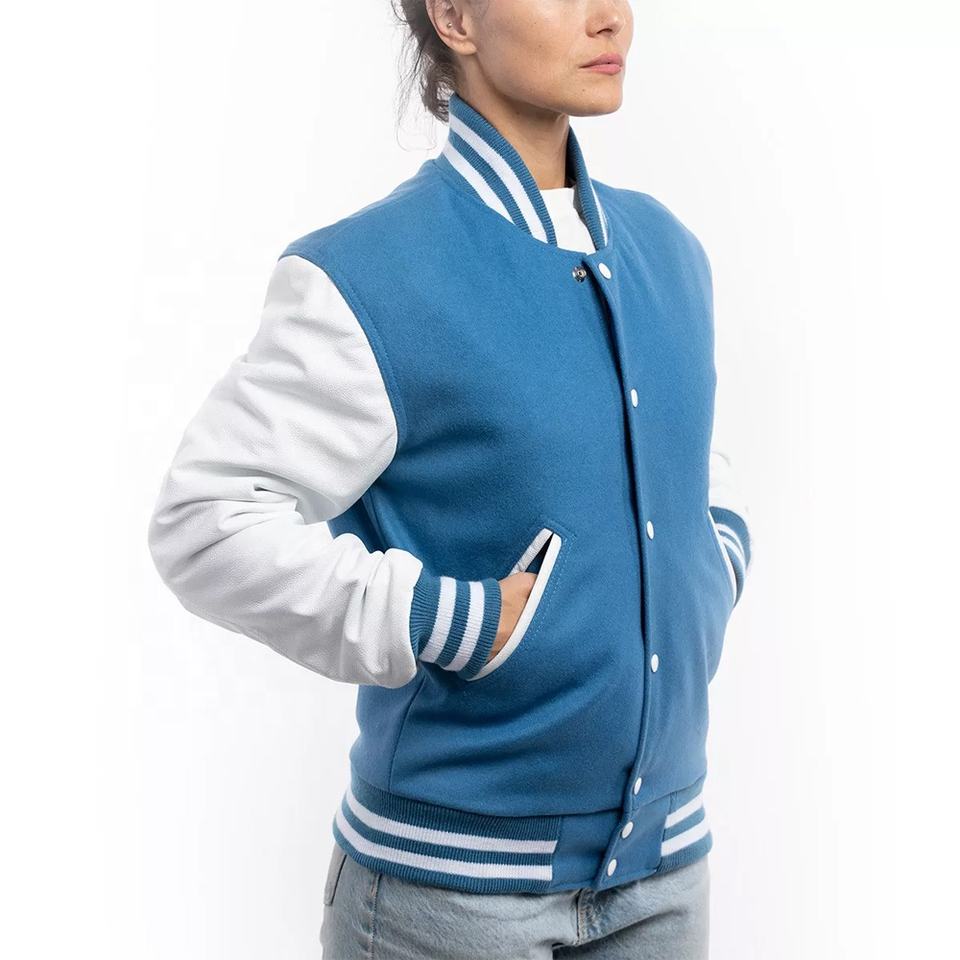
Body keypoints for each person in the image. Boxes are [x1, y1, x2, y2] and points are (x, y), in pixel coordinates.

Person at [146, 1, 754, 957]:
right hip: (448, 900)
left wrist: (712, 563)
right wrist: (442, 616)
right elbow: (204, 521)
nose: (610, 17)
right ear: (457, 16)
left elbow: (684, 452)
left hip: (667, 877)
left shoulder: (670, 251)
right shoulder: (369, 276)